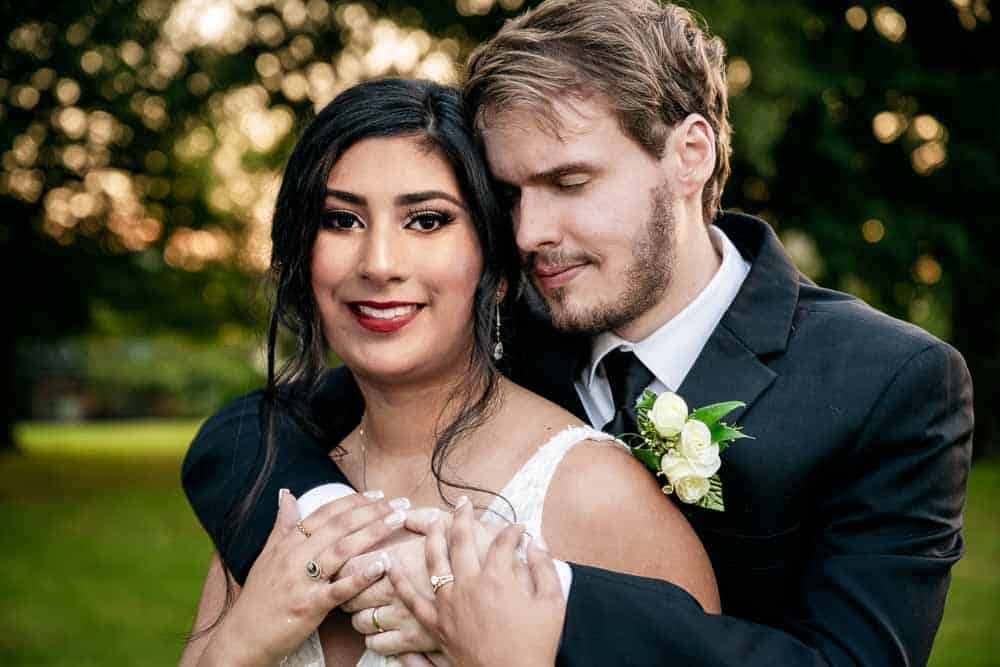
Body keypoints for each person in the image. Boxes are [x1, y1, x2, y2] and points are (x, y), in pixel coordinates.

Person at [184, 0, 975, 665]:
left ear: (689, 154)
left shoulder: (888, 381)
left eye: (569, 182)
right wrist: (343, 537)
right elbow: (256, 429)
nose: (528, 233)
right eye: (508, 194)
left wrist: (547, 607)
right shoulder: (506, 324)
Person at [179, 77, 719, 667]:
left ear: (498, 261)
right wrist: (238, 646)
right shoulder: (275, 491)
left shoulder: (595, 497)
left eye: (427, 221)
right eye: (341, 220)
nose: (379, 264)